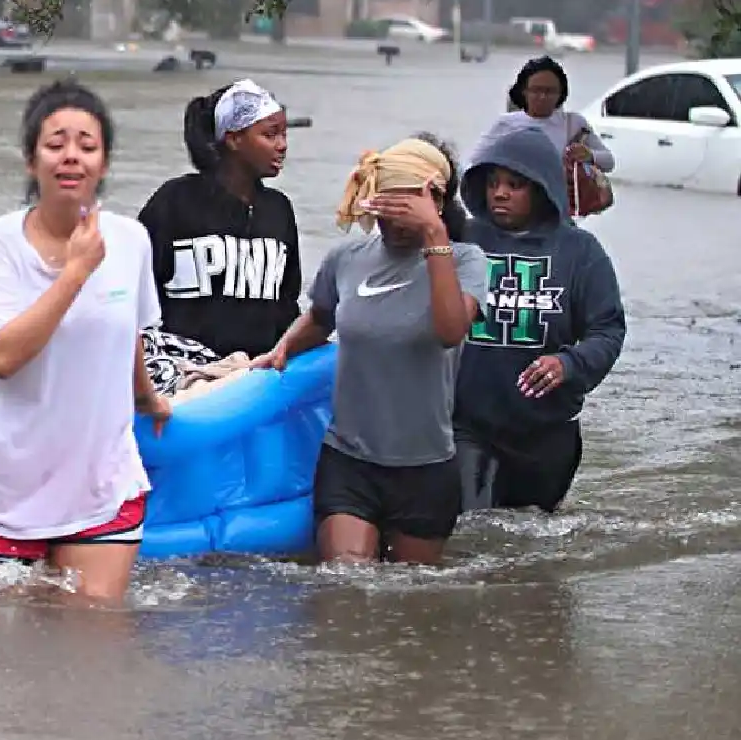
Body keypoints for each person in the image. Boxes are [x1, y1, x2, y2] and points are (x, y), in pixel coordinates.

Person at [0, 78, 172, 603]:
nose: (71, 156)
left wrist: (147, 398)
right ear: (31, 161)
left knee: (91, 656)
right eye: (55, 144)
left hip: (101, 482)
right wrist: (74, 273)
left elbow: (128, 332)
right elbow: (2, 358)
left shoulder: (130, 240)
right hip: (7, 488)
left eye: (87, 146)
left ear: (105, 163)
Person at [254, 135, 488, 565]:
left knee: (409, 601)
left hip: (426, 467)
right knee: (346, 584)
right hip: (349, 459)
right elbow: (321, 317)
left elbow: (451, 331)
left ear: (435, 201)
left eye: (404, 212)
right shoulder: (347, 258)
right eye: (384, 210)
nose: (393, 224)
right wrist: (282, 347)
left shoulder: (466, 261)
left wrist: (434, 233)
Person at [455, 124, 626, 514]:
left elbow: (608, 329)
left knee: (529, 543)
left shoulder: (580, 252)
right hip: (471, 425)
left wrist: (568, 363)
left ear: (541, 187)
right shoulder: (462, 239)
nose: (500, 193)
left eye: (515, 184)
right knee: (471, 528)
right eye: (493, 182)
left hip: (548, 432)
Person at [137, 78, 302, 362]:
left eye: (284, 134)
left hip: (256, 375)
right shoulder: (174, 201)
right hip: (184, 371)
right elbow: (136, 290)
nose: (282, 145)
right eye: (270, 135)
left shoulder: (279, 210)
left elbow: (287, 303)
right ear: (234, 139)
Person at [471, 56, 615, 177]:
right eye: (536, 90)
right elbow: (475, 160)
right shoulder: (505, 124)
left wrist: (590, 155)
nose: (542, 97)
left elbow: (609, 162)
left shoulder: (574, 124)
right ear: (524, 91)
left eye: (550, 91)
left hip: (560, 206)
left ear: (561, 94)